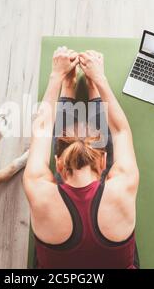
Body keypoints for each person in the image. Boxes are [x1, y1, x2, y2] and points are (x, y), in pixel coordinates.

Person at [23, 47, 140, 268]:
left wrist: (57, 77)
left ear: (58, 163)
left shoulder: (39, 189)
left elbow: (43, 129)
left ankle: (70, 86)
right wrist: (99, 79)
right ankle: (91, 87)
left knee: (77, 158)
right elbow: (120, 131)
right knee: (100, 162)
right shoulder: (123, 185)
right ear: (104, 164)